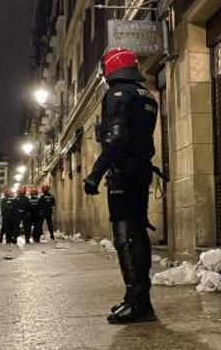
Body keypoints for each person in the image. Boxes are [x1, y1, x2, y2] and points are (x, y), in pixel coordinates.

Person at [83, 47, 159, 324]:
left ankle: (138, 302)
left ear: (110, 67)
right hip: (140, 172)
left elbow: (116, 139)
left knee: (125, 235)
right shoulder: (146, 95)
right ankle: (138, 299)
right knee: (138, 234)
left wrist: (95, 173)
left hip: (124, 173)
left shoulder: (118, 94)